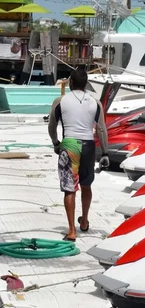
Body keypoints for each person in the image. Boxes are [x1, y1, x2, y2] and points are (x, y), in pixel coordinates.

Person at [48, 68, 110, 241]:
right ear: (86, 84)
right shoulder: (95, 102)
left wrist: (55, 143)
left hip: (69, 145)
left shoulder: (60, 101)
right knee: (86, 184)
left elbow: (52, 126)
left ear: (71, 83)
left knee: (70, 188)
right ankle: (84, 221)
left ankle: (71, 231)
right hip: (88, 145)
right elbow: (101, 129)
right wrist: (105, 152)